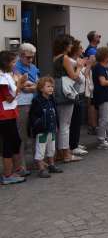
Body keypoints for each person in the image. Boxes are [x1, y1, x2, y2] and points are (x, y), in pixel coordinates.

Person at [52, 34, 85, 163]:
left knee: (61, 124)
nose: (72, 46)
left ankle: (60, 152)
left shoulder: (56, 57)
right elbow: (74, 76)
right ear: (65, 45)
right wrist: (80, 67)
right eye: (70, 44)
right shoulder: (65, 58)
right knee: (65, 124)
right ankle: (66, 153)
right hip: (65, 91)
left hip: (58, 88)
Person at [0, 51, 28, 185]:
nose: (15, 64)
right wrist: (20, 85)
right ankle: (7, 174)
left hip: (10, 113)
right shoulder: (1, 78)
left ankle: (15, 169)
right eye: (13, 62)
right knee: (8, 144)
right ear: (6, 63)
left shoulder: (6, 74)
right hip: (4, 115)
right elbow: (9, 98)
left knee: (15, 141)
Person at [29, 77, 63, 178]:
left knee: (51, 149)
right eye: (48, 86)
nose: (51, 88)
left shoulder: (52, 99)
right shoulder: (37, 101)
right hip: (42, 130)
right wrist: (38, 125)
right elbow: (33, 116)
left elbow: (55, 113)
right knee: (41, 150)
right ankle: (41, 169)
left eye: (52, 86)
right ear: (41, 88)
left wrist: (57, 125)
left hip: (51, 129)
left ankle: (51, 165)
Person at [14, 43, 39, 176]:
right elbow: (23, 86)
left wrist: (33, 86)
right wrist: (33, 86)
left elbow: (39, 84)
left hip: (34, 102)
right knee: (22, 135)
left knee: (35, 132)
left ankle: (37, 160)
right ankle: (21, 165)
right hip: (22, 104)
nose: (30, 60)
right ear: (21, 55)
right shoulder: (15, 66)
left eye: (32, 57)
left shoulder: (33, 67)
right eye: (28, 57)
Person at [67, 40, 88, 156]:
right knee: (74, 121)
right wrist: (81, 67)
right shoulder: (72, 62)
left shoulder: (77, 62)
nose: (83, 50)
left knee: (77, 120)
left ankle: (75, 142)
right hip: (74, 94)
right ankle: (72, 146)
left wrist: (87, 65)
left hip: (79, 93)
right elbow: (77, 78)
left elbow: (84, 76)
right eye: (80, 48)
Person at [84, 30, 100, 134]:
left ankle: (94, 125)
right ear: (93, 38)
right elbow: (93, 64)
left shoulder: (94, 49)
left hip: (94, 78)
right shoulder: (91, 50)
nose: (100, 37)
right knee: (92, 103)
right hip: (92, 79)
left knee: (94, 103)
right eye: (98, 36)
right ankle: (93, 126)